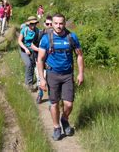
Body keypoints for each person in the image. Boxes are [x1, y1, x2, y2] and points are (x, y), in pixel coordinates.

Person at [37, 13, 84, 141]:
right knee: (54, 103)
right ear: (52, 24)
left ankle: (64, 119)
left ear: (64, 23)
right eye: (56, 23)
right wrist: (42, 79)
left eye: (61, 23)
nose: (58, 26)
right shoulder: (46, 39)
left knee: (68, 104)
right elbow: (40, 60)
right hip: (52, 75)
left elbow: (79, 55)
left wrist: (81, 73)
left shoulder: (72, 37)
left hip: (68, 75)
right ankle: (56, 127)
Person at [34, 15, 53, 104]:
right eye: (47, 23)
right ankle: (40, 94)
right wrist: (40, 51)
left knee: (51, 82)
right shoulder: (40, 33)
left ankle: (51, 100)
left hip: (51, 62)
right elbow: (32, 44)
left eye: (51, 24)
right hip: (40, 60)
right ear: (44, 24)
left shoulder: (56, 35)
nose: (49, 25)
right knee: (40, 79)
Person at [18, 16, 40, 91]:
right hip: (24, 50)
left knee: (33, 65)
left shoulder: (37, 31)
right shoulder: (24, 30)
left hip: (33, 50)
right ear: (28, 24)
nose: (33, 25)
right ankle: (29, 83)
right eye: (32, 24)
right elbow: (19, 41)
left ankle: (30, 80)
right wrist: (25, 48)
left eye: (35, 24)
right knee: (28, 64)